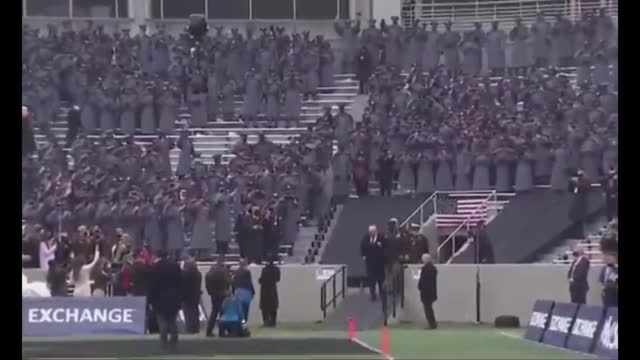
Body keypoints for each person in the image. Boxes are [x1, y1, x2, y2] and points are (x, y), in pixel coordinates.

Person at [149, 250, 183, 352]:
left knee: (162, 323)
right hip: (174, 299)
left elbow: (153, 285)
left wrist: (151, 300)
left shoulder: (155, 267)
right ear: (168, 255)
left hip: (159, 300)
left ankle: (163, 346)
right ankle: (173, 345)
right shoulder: (175, 266)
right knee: (173, 323)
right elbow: (180, 283)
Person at [360, 225, 387, 302]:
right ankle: (373, 295)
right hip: (370, 263)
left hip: (379, 263)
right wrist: (363, 255)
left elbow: (386, 247)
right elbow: (362, 247)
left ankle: (382, 294)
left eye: (373, 232)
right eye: (370, 232)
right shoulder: (366, 238)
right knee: (371, 280)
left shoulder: (381, 237)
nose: (371, 233)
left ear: (376, 231)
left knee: (381, 279)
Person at [205, 258, 231, 337]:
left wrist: (210, 291)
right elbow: (228, 281)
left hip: (214, 294)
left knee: (214, 312)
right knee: (222, 313)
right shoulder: (224, 271)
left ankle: (209, 330)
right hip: (223, 294)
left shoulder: (211, 271)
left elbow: (207, 281)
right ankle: (222, 331)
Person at [181, 259, 203, 334]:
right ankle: (195, 328)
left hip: (186, 296)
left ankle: (189, 328)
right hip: (195, 296)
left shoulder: (184, 274)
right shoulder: (198, 274)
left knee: (187, 313)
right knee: (195, 312)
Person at [259, 254, 281, 327]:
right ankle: (273, 321)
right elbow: (278, 279)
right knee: (273, 306)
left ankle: (266, 321)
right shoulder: (277, 269)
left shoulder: (264, 270)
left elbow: (261, 280)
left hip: (265, 289)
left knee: (265, 307)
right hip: (272, 289)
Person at [418, 254, 438, 330]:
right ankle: (432, 323)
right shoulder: (433, 268)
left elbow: (423, 280)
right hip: (431, 292)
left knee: (428, 309)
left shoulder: (425, 269)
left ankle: (431, 324)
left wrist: (420, 287)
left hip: (426, 292)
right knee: (429, 308)